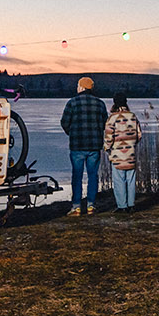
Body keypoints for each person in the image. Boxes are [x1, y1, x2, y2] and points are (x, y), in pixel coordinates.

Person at [59, 76, 108, 216]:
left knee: (77, 176)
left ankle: (76, 206)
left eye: (77, 85)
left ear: (81, 87)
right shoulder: (100, 103)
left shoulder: (72, 102)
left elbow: (64, 122)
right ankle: (91, 206)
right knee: (93, 175)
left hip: (77, 145)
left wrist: (72, 133)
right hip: (94, 145)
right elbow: (105, 123)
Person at [103, 92, 143, 213]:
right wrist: (132, 144)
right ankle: (131, 205)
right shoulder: (133, 116)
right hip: (130, 153)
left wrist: (106, 148)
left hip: (117, 154)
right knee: (131, 179)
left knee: (119, 180)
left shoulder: (112, 118)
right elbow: (139, 134)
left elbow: (109, 137)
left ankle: (122, 206)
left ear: (114, 102)